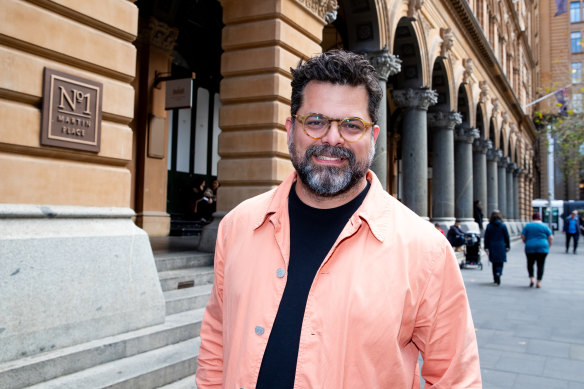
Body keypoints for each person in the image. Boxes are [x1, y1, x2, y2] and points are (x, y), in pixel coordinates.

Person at [196, 50, 481, 388]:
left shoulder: (427, 251)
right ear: (291, 130)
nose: (332, 139)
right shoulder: (238, 226)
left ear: (372, 137)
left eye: (351, 125)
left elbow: (455, 379)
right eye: (315, 121)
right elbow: (217, 337)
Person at [521, 212, 553, 288]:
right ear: (540, 218)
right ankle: (538, 282)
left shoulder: (528, 226)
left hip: (530, 247)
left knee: (530, 263)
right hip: (543, 247)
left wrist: (526, 242)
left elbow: (522, 236)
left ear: (532, 218)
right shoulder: (544, 226)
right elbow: (551, 237)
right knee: (541, 265)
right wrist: (549, 246)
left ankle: (532, 278)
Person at [483, 210, 510, 285]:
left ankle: (495, 278)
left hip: (492, 246)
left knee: (494, 262)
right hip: (501, 245)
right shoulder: (503, 225)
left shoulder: (489, 226)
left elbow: (486, 237)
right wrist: (508, 246)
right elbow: (506, 236)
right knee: (500, 262)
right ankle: (499, 273)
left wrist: (486, 247)